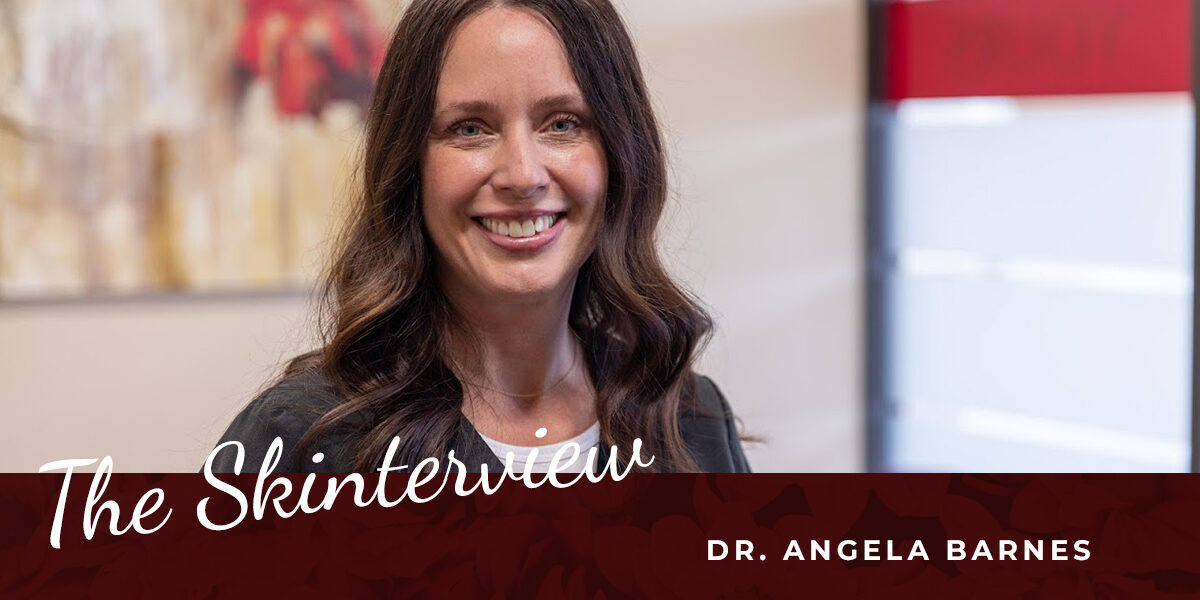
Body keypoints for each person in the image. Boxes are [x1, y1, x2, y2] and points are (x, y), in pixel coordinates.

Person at [209, 0, 750, 474]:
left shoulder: (691, 420)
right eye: (469, 128)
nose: (522, 175)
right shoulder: (302, 440)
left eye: (563, 123)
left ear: (620, 155)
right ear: (410, 166)